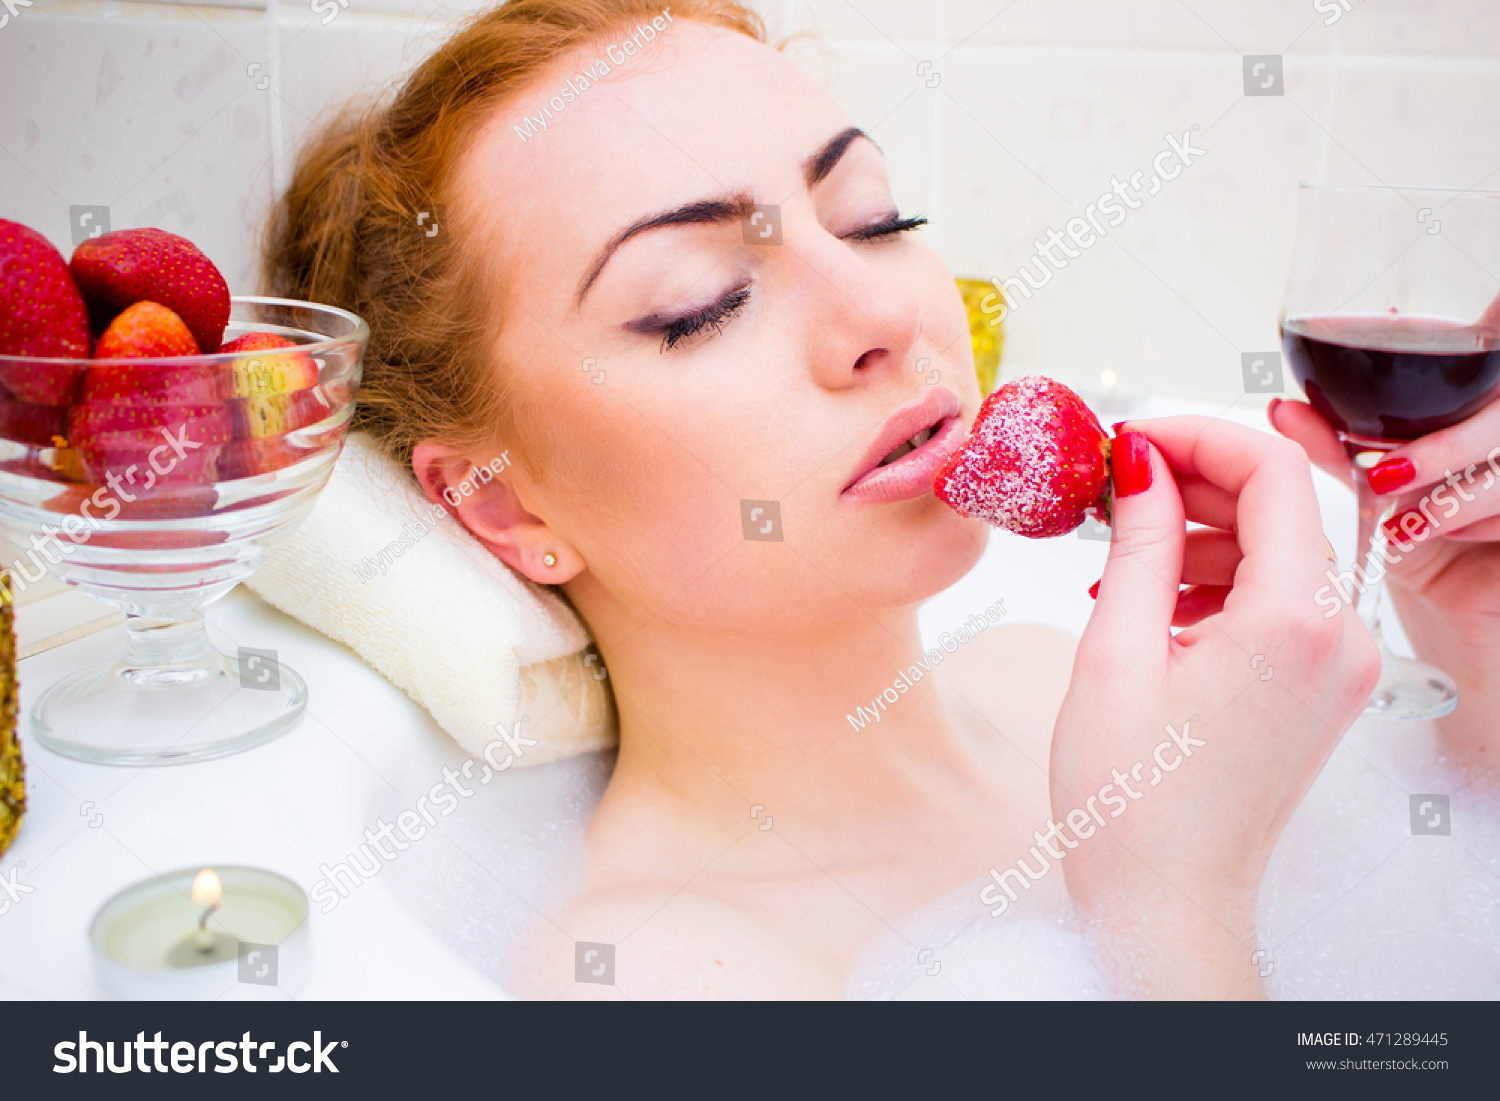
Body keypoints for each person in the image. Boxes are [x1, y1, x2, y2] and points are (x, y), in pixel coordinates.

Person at [264, 0, 1415, 998]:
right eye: (702, 303)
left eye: (873, 219)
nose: (883, 314)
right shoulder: (659, 975)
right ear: (498, 506)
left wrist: (1474, 656)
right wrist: (1174, 910)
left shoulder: (1051, 674)